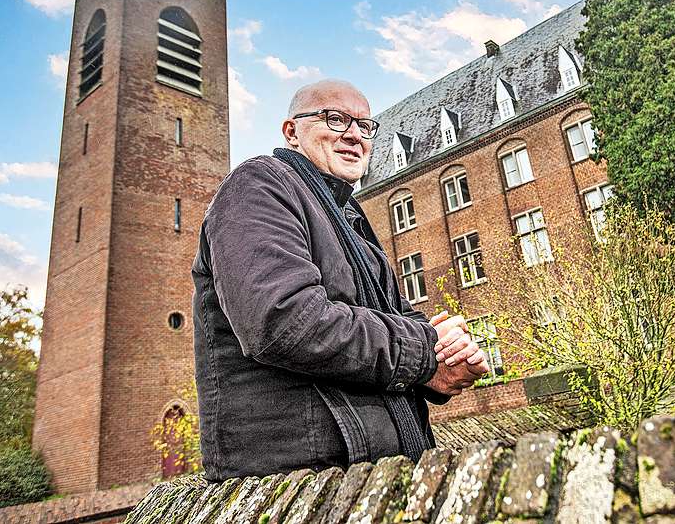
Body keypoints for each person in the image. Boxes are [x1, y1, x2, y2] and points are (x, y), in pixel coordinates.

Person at [191, 79, 490, 481]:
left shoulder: (350, 219)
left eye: (365, 126)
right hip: (297, 480)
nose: (354, 135)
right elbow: (283, 321)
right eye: (335, 119)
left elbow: (396, 317)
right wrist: (425, 352)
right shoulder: (258, 186)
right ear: (291, 131)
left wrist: (447, 356)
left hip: (379, 474)